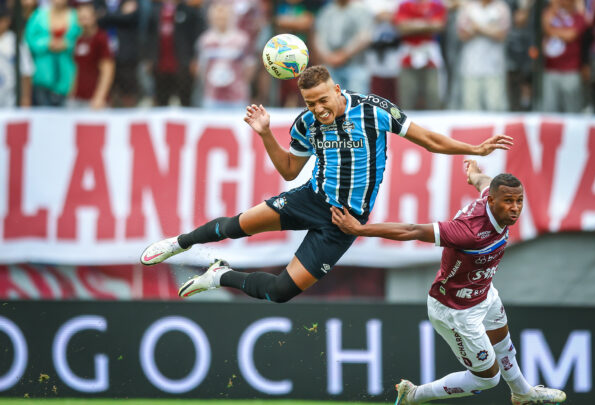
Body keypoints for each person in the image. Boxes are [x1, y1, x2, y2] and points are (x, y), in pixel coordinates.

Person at [140, 65, 513, 303]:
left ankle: (220, 275)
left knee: (280, 292)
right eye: (309, 102)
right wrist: (266, 133)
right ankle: (179, 243)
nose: (318, 109)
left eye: (322, 100)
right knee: (238, 226)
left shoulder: (373, 109)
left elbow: (429, 140)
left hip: (343, 221)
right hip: (311, 198)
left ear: (337, 90)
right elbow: (289, 170)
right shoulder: (307, 123)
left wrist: (474, 147)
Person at [330, 159, 566, 405]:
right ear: (492, 202)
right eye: (508, 201)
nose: (515, 208)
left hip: (483, 293)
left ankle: (522, 393)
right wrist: (359, 229)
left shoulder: (492, 198)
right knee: (488, 378)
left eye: (519, 201)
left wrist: (474, 173)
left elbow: (485, 182)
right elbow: (411, 230)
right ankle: (413, 394)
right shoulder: (469, 231)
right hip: (455, 309)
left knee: (504, 344)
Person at [25, 0, 81, 107]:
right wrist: (46, 43)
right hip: (42, 74)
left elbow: (83, 40)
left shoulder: (75, 16)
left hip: (68, 76)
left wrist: (68, 44)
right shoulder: (38, 15)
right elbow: (28, 39)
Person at [71, 0, 115, 109]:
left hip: (95, 100)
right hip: (78, 98)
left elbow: (107, 69)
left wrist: (100, 96)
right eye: (81, 18)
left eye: (86, 17)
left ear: (94, 17)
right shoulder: (78, 39)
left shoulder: (101, 38)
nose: (83, 20)